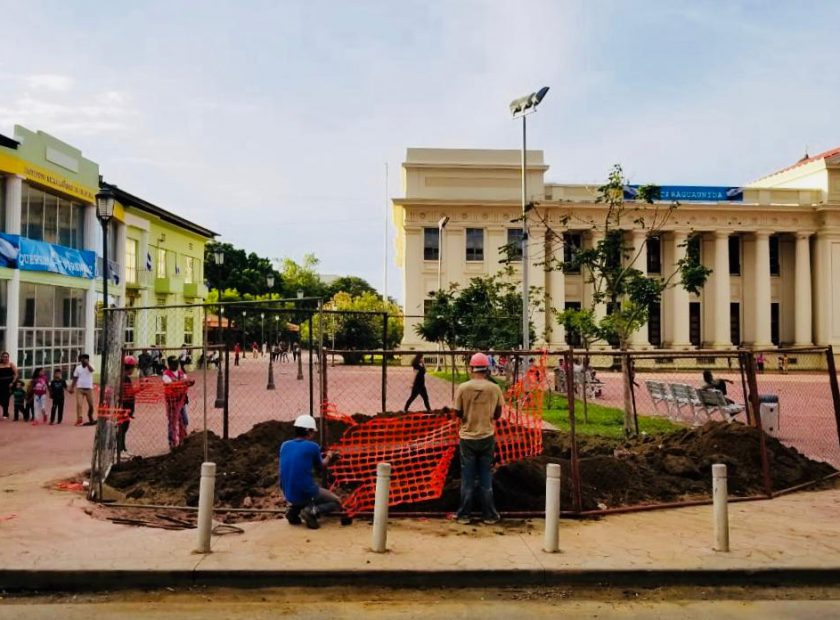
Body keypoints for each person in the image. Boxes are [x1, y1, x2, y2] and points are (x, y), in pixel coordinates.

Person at [452, 352, 505, 525]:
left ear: (471, 368)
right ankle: (489, 515)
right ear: (487, 369)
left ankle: (464, 515)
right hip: (487, 436)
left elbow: (458, 412)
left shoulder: (463, 388)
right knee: (485, 477)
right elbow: (497, 414)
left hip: (467, 438)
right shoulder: (494, 388)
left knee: (467, 477)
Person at [279, 414, 343, 529]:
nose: (313, 434)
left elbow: (302, 454)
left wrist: (319, 453)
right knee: (336, 501)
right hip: (306, 492)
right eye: (313, 432)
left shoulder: (284, 445)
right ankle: (312, 511)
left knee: (301, 495)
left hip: (288, 493)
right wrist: (329, 456)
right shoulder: (312, 446)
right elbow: (321, 466)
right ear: (308, 431)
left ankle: (293, 510)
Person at [162, 355, 194, 449]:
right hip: (172, 402)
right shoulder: (166, 375)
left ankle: (182, 439)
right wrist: (183, 383)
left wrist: (187, 382)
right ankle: (172, 441)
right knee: (172, 421)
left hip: (181, 401)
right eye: (173, 364)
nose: (175, 365)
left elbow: (186, 381)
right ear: (169, 364)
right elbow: (169, 384)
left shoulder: (181, 373)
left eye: (177, 363)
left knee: (184, 420)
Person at [69, 354, 96, 426]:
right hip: (80, 389)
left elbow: (92, 370)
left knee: (91, 405)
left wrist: (87, 364)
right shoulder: (78, 368)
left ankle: (90, 416)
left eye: (84, 359)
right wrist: (72, 387)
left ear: (87, 359)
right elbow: (75, 378)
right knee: (79, 404)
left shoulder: (91, 366)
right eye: (81, 359)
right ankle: (79, 418)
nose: (82, 360)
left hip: (89, 389)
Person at [118, 356, 137, 455]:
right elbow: (128, 394)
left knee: (123, 428)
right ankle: (120, 449)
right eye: (133, 368)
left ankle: (122, 448)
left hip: (125, 407)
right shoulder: (125, 378)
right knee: (122, 428)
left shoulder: (123, 377)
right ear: (130, 367)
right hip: (125, 407)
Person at [0, 351, 18, 421]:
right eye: (4, 357)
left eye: (7, 357)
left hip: (9, 384)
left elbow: (16, 374)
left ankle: (5, 413)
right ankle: (6, 412)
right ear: (1, 357)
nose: (5, 358)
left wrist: (13, 382)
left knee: (6, 399)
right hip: (0, 383)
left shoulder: (11, 364)